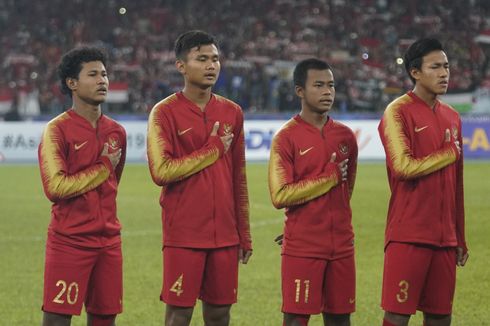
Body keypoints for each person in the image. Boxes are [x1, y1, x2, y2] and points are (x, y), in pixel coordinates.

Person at [146, 30, 252, 326]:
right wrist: (214, 148)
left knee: (220, 315)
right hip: (184, 234)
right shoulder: (164, 113)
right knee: (179, 315)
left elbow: (238, 177)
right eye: (202, 59)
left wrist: (243, 232)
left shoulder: (232, 112)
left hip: (225, 235)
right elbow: (161, 171)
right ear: (181, 66)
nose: (211, 65)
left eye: (215, 59)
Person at [378, 38, 468, 326]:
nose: (444, 73)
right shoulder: (397, 111)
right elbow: (403, 166)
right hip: (408, 235)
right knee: (397, 315)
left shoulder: (452, 117)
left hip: (445, 239)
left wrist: (459, 236)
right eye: (435, 67)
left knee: (441, 316)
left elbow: (457, 184)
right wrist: (447, 153)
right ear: (415, 72)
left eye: (446, 66)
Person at [38, 47, 126, 326]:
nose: (103, 80)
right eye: (93, 75)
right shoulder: (57, 129)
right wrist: (101, 168)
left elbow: (114, 182)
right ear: (71, 83)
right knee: (57, 320)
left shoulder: (117, 132)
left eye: (104, 74)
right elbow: (55, 188)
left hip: (109, 242)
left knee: (104, 319)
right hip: (70, 241)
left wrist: (105, 172)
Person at [269, 58, 358, 326]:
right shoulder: (286, 137)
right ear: (300, 91)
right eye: (318, 85)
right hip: (303, 247)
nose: (327, 91)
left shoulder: (345, 137)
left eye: (331, 85)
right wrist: (328, 178)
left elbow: (346, 189)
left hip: (342, 245)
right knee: (296, 320)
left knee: (340, 320)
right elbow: (280, 195)